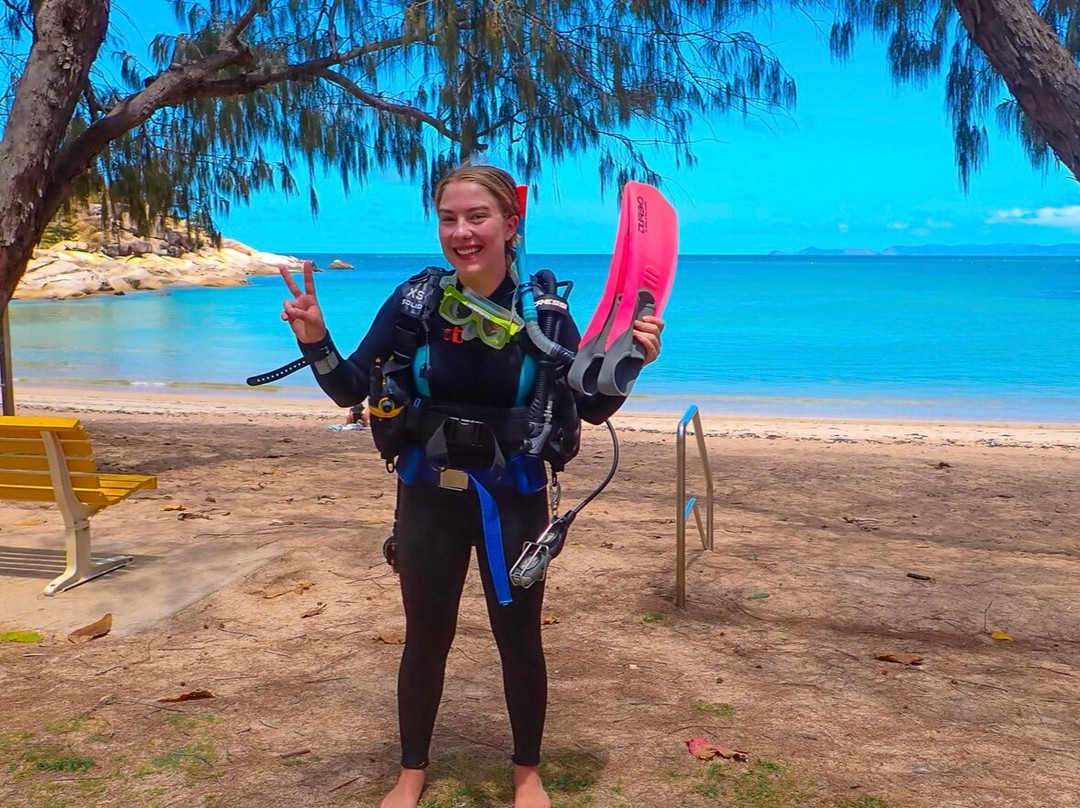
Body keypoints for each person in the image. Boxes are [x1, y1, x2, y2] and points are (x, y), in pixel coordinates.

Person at [278, 165, 663, 808]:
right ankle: (410, 773)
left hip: (514, 500)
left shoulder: (545, 314)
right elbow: (351, 388)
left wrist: (631, 363)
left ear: (511, 224)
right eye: (449, 219)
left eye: (477, 217)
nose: (462, 232)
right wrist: (315, 338)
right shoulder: (414, 304)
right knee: (426, 636)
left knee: (520, 640)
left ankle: (527, 774)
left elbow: (590, 408)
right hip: (427, 498)